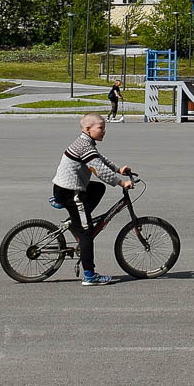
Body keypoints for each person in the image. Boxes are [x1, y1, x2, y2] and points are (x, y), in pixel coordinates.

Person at [52, 113, 133, 286]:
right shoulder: (84, 146)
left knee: (98, 188)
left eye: (104, 128)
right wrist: (122, 183)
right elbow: (100, 171)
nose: (104, 131)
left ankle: (78, 219)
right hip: (70, 192)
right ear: (88, 129)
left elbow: (100, 159)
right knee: (86, 233)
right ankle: (90, 276)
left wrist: (118, 169)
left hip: (65, 188)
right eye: (101, 128)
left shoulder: (86, 143)